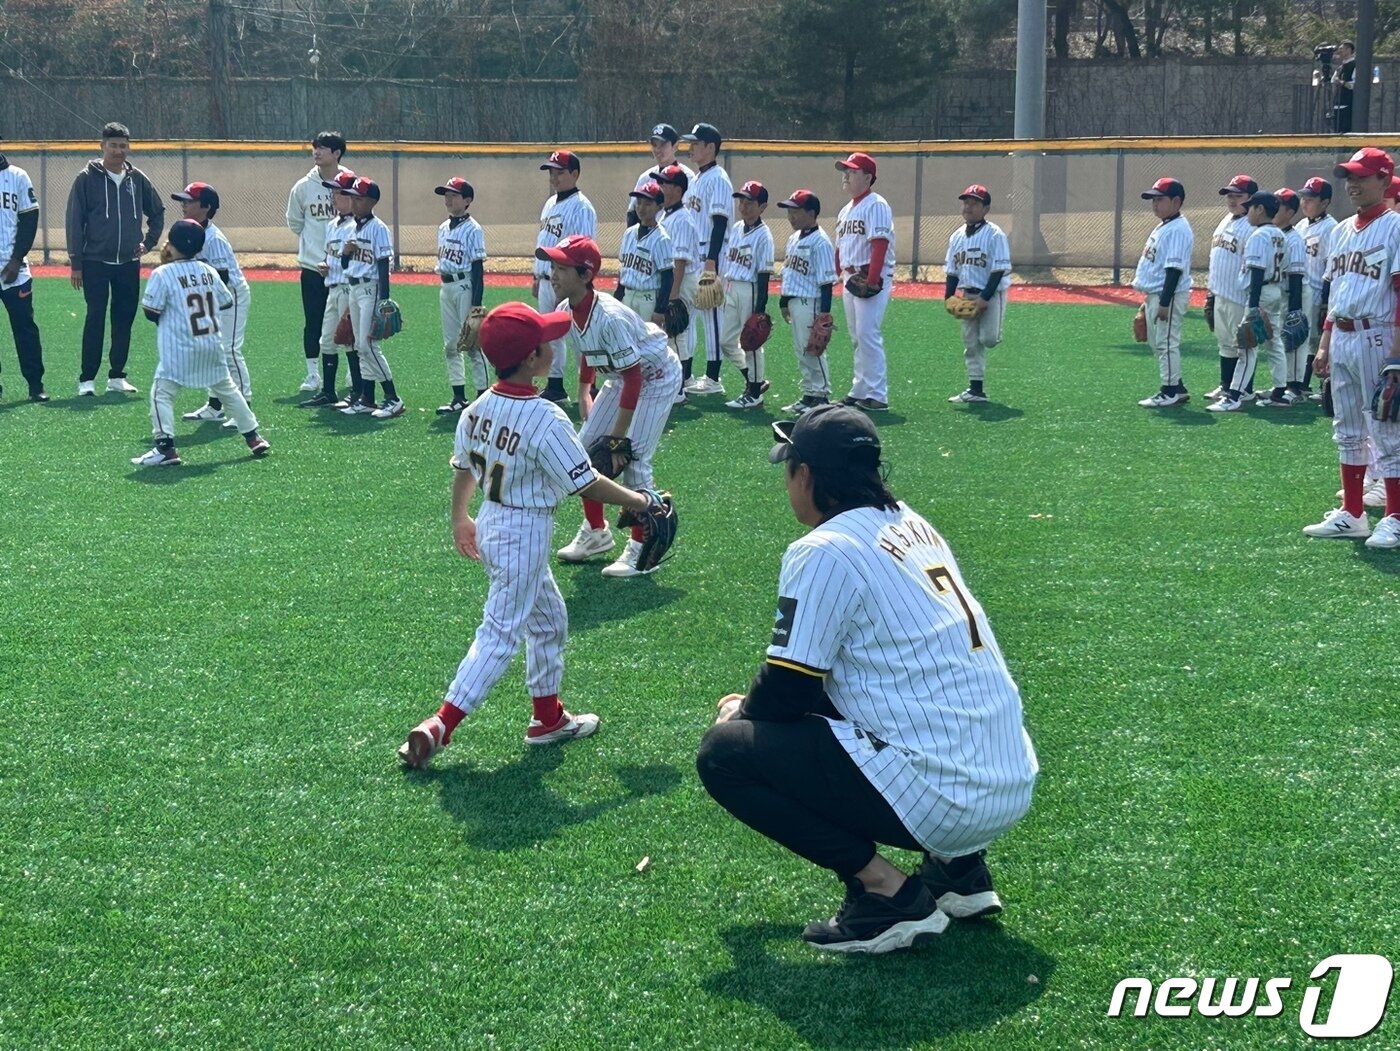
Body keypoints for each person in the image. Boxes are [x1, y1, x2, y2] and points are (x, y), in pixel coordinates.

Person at [696, 404, 1038, 953]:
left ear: (805, 475)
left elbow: (788, 691)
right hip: (1009, 780)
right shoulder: (912, 521)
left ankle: (887, 895)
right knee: (880, 690)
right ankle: (959, 872)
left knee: (725, 755)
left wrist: (740, 716)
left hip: (948, 797)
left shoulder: (825, 549)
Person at [397, 303, 672, 769]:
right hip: (522, 533)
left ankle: (547, 719)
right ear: (532, 359)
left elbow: (463, 469)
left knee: (550, 620)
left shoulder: (476, 408)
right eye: (546, 339)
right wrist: (640, 501)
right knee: (499, 634)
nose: (554, 343)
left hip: (492, 524)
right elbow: (584, 482)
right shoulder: (546, 418)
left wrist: (460, 517)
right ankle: (440, 724)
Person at [541, 235, 682, 578]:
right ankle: (595, 532)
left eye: (561, 268)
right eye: (553, 266)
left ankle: (639, 550)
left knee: (633, 461)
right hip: (621, 378)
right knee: (583, 451)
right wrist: (584, 390)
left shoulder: (611, 317)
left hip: (656, 377)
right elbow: (588, 349)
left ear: (585, 275)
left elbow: (635, 379)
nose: (553, 274)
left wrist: (618, 441)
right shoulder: (567, 309)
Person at [1304, 147, 1400, 549]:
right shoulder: (1341, 230)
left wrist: (1396, 358)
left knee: (1387, 430)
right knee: (1347, 430)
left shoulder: (1396, 226)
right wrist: (1324, 344)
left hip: (1377, 335)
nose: (1353, 184)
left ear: (1383, 179)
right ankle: (1354, 514)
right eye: (1350, 177)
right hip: (1342, 336)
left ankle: (1394, 516)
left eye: (1362, 176)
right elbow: (1336, 293)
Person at [131, 219, 270, 467]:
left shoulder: (162, 273)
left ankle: (165, 449)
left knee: (160, 394)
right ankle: (253, 437)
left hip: (179, 349)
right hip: (211, 345)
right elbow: (226, 301)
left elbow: (151, 312)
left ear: (171, 245)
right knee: (229, 391)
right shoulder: (208, 270)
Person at [65, 122, 164, 397]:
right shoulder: (86, 177)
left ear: (128, 147)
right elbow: (74, 221)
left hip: (128, 264)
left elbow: (157, 212)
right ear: (102, 146)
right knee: (95, 318)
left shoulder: (137, 178)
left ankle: (117, 376)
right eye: (113, 145)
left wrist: (148, 242)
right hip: (95, 262)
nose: (118, 151)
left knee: (123, 319)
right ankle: (87, 379)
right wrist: (76, 262)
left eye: (123, 146)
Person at [171, 183, 254, 429]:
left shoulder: (214, 238)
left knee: (229, 351)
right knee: (212, 351)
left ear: (206, 207)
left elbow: (223, 278)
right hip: (212, 299)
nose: (184, 204)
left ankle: (244, 408)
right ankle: (215, 407)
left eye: (189, 200)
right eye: (183, 200)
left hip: (231, 297)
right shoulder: (190, 232)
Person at [286, 131, 351, 394]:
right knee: (313, 320)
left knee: (348, 321)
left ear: (336, 153)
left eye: (323, 148)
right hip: (313, 267)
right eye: (314, 147)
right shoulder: (302, 187)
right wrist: (315, 249)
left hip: (345, 268)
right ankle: (313, 374)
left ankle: (351, 370)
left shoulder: (350, 182)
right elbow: (295, 222)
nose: (316, 152)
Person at [1209, 192, 1285, 412]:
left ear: (1260, 209)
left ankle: (1234, 396)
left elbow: (1257, 272)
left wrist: (1252, 307)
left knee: (1246, 347)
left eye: (1251, 207)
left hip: (1259, 293)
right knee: (1274, 343)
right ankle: (1280, 391)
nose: (1248, 211)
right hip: (1274, 290)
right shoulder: (1279, 234)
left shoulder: (1258, 236)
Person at [533, 150, 597, 404]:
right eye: (551, 171)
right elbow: (543, 240)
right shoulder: (550, 204)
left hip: (569, 281)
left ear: (575, 174)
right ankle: (556, 385)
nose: (554, 177)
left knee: (581, 334)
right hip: (548, 279)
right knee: (551, 334)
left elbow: (584, 248)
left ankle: (591, 386)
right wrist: (536, 276)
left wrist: (578, 283)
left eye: (560, 172)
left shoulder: (582, 207)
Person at [834, 152, 895, 411]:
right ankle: (860, 388)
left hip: (871, 275)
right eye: (845, 171)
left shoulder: (876, 204)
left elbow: (880, 244)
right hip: (851, 277)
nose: (846, 175)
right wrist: (837, 273)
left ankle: (878, 394)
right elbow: (839, 248)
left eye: (852, 171)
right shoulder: (846, 210)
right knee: (856, 336)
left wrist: (872, 280)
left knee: (868, 334)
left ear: (868, 178)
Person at [338, 177, 404, 419]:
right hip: (354, 288)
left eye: (358, 198)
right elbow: (345, 264)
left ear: (371, 201)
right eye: (352, 197)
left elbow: (383, 264)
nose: (353, 202)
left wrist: (384, 301)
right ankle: (367, 398)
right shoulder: (351, 228)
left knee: (367, 344)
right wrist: (345, 254)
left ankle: (393, 398)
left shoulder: (378, 228)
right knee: (358, 345)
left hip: (370, 289)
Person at [944, 184, 1012, 405]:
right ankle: (976, 390)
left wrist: (985, 297)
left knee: (988, 339)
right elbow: (952, 271)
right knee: (971, 342)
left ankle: (977, 387)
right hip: (966, 295)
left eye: (974, 203)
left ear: (986, 208)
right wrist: (948, 297)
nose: (968, 207)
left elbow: (998, 268)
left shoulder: (994, 235)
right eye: (966, 202)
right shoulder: (956, 237)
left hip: (990, 295)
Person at [680, 123, 734, 397]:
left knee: (711, 312)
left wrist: (712, 261)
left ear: (710, 148)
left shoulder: (719, 178)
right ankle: (688, 374)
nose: (691, 147)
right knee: (695, 312)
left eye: (696, 143)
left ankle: (713, 377)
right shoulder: (697, 179)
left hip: (712, 251)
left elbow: (720, 222)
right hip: (694, 251)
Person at [300, 170, 361, 409]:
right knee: (327, 340)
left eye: (338, 192)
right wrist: (326, 265)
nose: (333, 197)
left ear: (351, 196)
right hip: (333, 288)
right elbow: (330, 255)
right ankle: (328, 391)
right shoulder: (333, 224)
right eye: (333, 192)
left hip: (349, 289)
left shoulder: (357, 226)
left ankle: (357, 392)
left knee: (349, 340)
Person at [1132, 178, 1193, 407]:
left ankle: (1169, 392)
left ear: (1176, 201)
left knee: (1166, 343)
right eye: (1153, 200)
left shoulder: (1177, 229)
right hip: (1156, 294)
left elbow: (1174, 269)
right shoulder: (1166, 224)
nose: (1155, 204)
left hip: (1169, 295)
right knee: (1159, 342)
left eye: (1160, 199)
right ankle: (1177, 386)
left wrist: (1165, 302)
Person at [777, 188, 837, 416]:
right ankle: (809, 394)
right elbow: (789, 273)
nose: (791, 216)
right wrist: (784, 302)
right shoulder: (794, 238)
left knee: (813, 348)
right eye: (789, 211)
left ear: (811, 213)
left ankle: (821, 394)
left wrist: (824, 315)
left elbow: (826, 282)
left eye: (796, 211)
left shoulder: (820, 242)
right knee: (801, 349)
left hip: (811, 302)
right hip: (795, 301)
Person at [434, 176, 488, 415]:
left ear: (467, 200)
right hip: (446, 287)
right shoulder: (443, 228)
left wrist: (476, 307)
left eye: (454, 195)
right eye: (447, 194)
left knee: (473, 343)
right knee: (451, 345)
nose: (448, 198)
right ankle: (458, 396)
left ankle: (483, 396)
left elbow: (478, 268)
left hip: (465, 285)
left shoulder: (473, 229)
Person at [719, 180, 775, 409]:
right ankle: (754, 380)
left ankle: (754, 394)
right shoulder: (736, 228)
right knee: (726, 341)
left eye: (750, 201)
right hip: (732, 287)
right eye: (742, 200)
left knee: (752, 343)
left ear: (762, 206)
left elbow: (764, 275)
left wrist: (759, 310)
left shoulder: (764, 236)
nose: (744, 205)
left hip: (750, 289)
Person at [0, 138, 46, 401]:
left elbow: (29, 219)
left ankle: (35, 384)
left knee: (25, 328)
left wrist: (17, 258)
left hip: (14, 270)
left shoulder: (17, 176)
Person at [1205, 175, 1256, 402]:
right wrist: (1210, 293)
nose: (1232, 200)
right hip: (1221, 293)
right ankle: (1226, 385)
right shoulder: (1227, 219)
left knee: (1242, 345)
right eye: (1230, 195)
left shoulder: (1253, 225)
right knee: (1225, 343)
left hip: (1239, 295)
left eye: (1238, 196)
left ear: (1251, 198)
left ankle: (1244, 389)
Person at [657, 165, 700, 403]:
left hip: (682, 281)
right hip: (674, 280)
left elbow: (680, 261)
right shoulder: (667, 214)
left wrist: (672, 298)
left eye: (665, 183)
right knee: (671, 335)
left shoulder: (682, 219)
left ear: (678, 189)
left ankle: (680, 388)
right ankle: (675, 385)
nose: (660, 187)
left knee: (677, 334)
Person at [1297, 177, 1337, 400]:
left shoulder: (1331, 228)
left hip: (1317, 291)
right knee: (1301, 339)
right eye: (1303, 197)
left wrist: (1325, 300)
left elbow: (1331, 267)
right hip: (1301, 292)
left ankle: (1315, 385)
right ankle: (1299, 384)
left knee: (1316, 341)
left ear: (1325, 202)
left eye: (1310, 198)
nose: (1305, 202)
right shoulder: (1301, 226)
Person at [614, 181, 674, 329]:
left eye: (648, 203)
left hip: (647, 300)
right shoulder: (629, 233)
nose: (641, 208)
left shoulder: (662, 238)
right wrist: (617, 299)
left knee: (646, 346)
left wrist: (659, 310)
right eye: (639, 203)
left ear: (659, 207)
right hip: (627, 296)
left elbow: (668, 277)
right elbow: (623, 271)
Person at [1274, 188, 1309, 404]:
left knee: (1295, 339)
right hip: (1282, 295)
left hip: (1296, 294)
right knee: (1282, 340)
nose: (1273, 210)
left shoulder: (1294, 239)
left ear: (1290, 212)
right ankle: (1284, 383)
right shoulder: (1276, 235)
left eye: (1278, 206)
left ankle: (1295, 387)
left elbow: (1295, 277)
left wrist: (1295, 311)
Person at [629, 124, 695, 227]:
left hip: (677, 234)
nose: (658, 149)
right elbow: (632, 213)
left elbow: (691, 212)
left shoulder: (688, 176)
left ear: (675, 146)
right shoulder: (645, 177)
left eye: (663, 145)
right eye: (655, 145)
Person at [1332, 41, 1357, 135]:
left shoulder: (1354, 65)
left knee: (1345, 131)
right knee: (1336, 130)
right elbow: (1333, 80)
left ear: (1349, 50)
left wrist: (1342, 83)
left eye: (1342, 49)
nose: (1339, 51)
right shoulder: (1340, 67)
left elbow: (1354, 85)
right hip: (1337, 102)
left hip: (1347, 102)